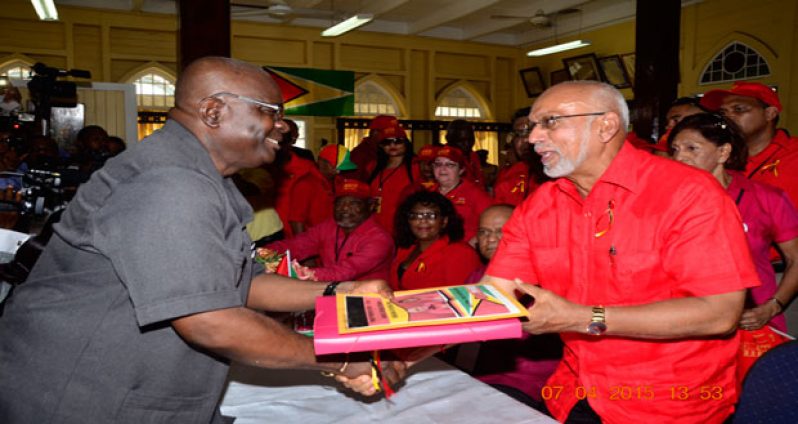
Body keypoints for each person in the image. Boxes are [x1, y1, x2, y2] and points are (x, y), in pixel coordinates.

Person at [0, 57, 404, 423]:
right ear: (213, 111)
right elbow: (210, 322)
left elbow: (240, 283)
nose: (282, 126)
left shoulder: (198, 176)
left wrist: (338, 291)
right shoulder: (170, 184)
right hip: (83, 398)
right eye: (271, 112)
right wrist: (337, 360)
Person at [482, 81, 758, 423]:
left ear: (606, 126)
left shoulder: (688, 193)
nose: (534, 137)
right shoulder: (540, 205)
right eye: (534, 126)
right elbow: (491, 297)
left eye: (551, 121)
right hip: (575, 391)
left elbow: (718, 312)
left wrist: (582, 318)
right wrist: (407, 339)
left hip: (669, 403)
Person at [668, 113, 798, 333]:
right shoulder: (666, 200)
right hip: (688, 322)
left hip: (752, 322)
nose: (679, 158)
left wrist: (772, 307)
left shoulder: (764, 198)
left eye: (692, 148)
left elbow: (796, 258)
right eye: (675, 150)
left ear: (723, 152)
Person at [463, 204, 562, 411]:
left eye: (502, 232)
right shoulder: (477, 277)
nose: (490, 239)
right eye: (484, 232)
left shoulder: (544, 284)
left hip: (526, 383)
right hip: (477, 375)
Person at [267, 179, 394, 282]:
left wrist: (299, 272)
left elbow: (344, 272)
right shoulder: (328, 226)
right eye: (340, 203)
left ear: (370, 206)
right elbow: (296, 245)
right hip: (331, 292)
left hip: (366, 300)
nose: (344, 208)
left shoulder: (379, 239)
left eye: (354, 203)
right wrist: (264, 255)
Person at [700, 81, 798, 206]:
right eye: (723, 112)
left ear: (769, 114)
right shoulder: (719, 157)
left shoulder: (793, 154)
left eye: (738, 109)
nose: (728, 117)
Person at [389, 190, 481, 291]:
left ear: (444, 221)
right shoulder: (406, 248)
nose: (423, 220)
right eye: (415, 216)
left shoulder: (461, 254)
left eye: (431, 215)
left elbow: (462, 298)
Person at [272, 118, 333, 237]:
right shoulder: (256, 165)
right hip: (265, 233)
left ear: (293, 139)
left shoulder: (306, 165)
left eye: (286, 137)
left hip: (295, 233)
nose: (279, 141)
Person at [431, 145, 493, 243]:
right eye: (438, 164)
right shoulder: (429, 193)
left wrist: (472, 244)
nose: (442, 169)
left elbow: (493, 224)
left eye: (450, 165)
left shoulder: (475, 194)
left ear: (461, 170)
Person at [367, 121, 418, 234]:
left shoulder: (416, 167)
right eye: (387, 142)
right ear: (381, 146)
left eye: (398, 141)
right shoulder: (373, 167)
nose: (392, 145)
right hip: (375, 227)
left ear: (406, 144)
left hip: (404, 228)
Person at [494, 107, 546, 205]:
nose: (525, 139)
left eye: (530, 131)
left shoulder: (562, 174)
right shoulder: (507, 176)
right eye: (519, 134)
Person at [350, 114, 398, 180]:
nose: (392, 137)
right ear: (374, 133)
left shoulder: (395, 152)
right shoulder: (359, 155)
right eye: (387, 133)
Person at [445, 119, 484, 187]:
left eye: (470, 139)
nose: (467, 144)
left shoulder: (473, 156)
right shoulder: (444, 159)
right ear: (450, 140)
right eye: (461, 140)